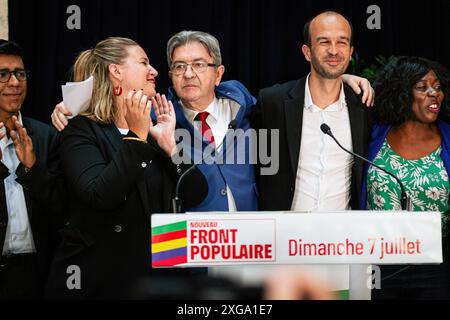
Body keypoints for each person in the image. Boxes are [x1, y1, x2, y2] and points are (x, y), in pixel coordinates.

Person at [51, 30, 373, 214]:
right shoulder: (155, 117)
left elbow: (301, 100)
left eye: (198, 65)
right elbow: (111, 109)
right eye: (178, 67)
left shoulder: (252, 108)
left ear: (218, 73)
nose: (188, 74)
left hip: (253, 248)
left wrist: (337, 76)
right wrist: (71, 106)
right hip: (187, 252)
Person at [44, 37, 207, 299]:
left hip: (159, 280)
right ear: (116, 72)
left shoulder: (157, 131)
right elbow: (99, 194)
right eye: (144, 62)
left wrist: (170, 146)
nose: (154, 71)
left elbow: (196, 193)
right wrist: (136, 136)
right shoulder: (80, 130)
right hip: (100, 283)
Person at [252, 11, 372, 294]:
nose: (334, 50)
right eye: (324, 42)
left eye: (342, 42)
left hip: (342, 248)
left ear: (351, 51)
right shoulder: (273, 101)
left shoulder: (365, 105)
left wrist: (346, 78)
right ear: (307, 51)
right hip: (282, 247)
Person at [361, 56, 450, 300]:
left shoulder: (448, 139)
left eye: (437, 86)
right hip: (378, 263)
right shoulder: (373, 133)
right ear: (402, 93)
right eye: (422, 87)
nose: (434, 94)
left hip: (435, 266)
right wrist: (347, 77)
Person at [0, 39, 66, 299]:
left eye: (20, 73)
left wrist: (33, 168)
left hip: (37, 274)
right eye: (3, 74)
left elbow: (64, 211)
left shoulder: (47, 137)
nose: (15, 82)